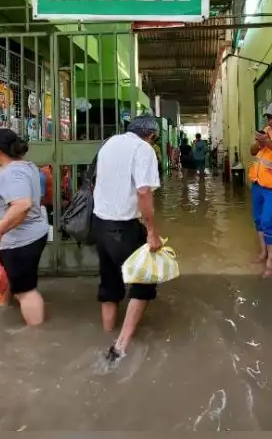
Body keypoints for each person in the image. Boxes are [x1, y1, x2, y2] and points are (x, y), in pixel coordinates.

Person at [91, 114, 162, 362]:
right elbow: (144, 192)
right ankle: (119, 348)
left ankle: (106, 333)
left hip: (99, 222)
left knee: (110, 282)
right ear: (151, 136)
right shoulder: (144, 150)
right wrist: (152, 233)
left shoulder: (110, 143)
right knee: (145, 281)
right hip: (122, 227)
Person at [0, 128, 49, 325]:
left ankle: (35, 341)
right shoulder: (24, 166)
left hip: (21, 240)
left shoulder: (13, 173)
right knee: (11, 281)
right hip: (25, 236)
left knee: (25, 291)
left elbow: (22, 205)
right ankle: (4, 315)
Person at [249, 102, 272, 278]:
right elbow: (252, 151)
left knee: (268, 220)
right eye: (269, 118)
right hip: (257, 184)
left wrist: (269, 143)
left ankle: (271, 262)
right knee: (258, 219)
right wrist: (259, 143)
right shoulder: (266, 131)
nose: (271, 121)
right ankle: (263, 253)